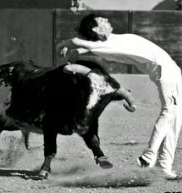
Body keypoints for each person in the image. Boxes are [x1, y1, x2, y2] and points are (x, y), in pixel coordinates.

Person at [56, 13, 182, 180]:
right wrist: (63, 44)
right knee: (170, 113)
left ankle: (165, 166)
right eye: (102, 20)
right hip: (164, 70)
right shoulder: (106, 45)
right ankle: (149, 157)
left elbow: (84, 45)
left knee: (176, 117)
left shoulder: (108, 42)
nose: (106, 20)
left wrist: (75, 51)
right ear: (96, 29)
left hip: (170, 70)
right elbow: (80, 42)